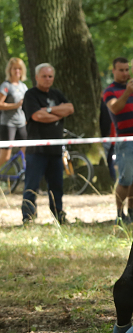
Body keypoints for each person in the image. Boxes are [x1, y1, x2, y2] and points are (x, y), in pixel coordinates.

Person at [21, 63, 74, 224]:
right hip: (36, 150)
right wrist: (58, 114)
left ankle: (58, 215)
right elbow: (37, 116)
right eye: (44, 76)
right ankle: (28, 217)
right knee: (32, 186)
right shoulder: (31, 95)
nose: (47, 79)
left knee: (57, 186)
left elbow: (70, 108)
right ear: (37, 77)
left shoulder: (57, 94)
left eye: (50, 76)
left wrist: (49, 110)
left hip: (56, 150)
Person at [103, 57, 133, 224]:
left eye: (126, 70)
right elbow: (115, 108)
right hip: (125, 140)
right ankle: (120, 214)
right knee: (125, 180)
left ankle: (132, 212)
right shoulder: (110, 91)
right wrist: (127, 92)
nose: (124, 73)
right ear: (113, 71)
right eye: (121, 70)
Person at [0, 58, 28, 168]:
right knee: (6, 156)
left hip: (21, 123)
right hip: (8, 124)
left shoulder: (23, 86)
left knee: (27, 151)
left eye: (19, 68)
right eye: (14, 68)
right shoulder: (6, 86)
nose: (17, 71)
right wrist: (15, 106)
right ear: (10, 70)